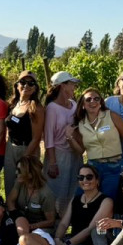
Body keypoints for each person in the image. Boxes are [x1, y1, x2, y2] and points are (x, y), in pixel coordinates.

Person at [69, 88, 123, 200]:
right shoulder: (81, 124)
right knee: (82, 198)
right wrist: (69, 138)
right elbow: (80, 151)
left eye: (96, 98)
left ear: (101, 102)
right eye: (88, 99)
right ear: (83, 104)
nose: (93, 101)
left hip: (114, 167)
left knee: (108, 199)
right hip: (92, 168)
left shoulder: (111, 116)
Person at [55, 162, 113, 245]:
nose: (85, 180)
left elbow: (90, 229)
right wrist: (57, 239)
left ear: (97, 180)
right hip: (73, 243)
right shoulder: (75, 199)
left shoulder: (106, 201)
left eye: (89, 177)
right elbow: (64, 223)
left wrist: (68, 243)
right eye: (81, 178)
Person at [43, 71, 80, 215]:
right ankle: (54, 220)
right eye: (72, 84)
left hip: (74, 154)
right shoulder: (52, 108)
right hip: (59, 156)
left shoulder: (74, 105)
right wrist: (52, 163)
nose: (74, 87)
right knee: (57, 191)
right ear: (62, 86)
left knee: (73, 189)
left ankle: (67, 220)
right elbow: (49, 137)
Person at [3, 72, 45, 195]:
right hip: (10, 148)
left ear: (35, 88)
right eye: (23, 82)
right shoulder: (12, 104)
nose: (26, 86)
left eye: (31, 83)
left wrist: (23, 159)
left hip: (28, 150)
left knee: (26, 187)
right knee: (9, 183)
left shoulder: (36, 108)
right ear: (17, 85)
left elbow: (36, 138)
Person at [5, 154, 57, 239]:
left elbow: (50, 221)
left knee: (29, 240)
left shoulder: (46, 194)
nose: (16, 173)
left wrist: (31, 226)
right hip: (21, 221)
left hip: (40, 227)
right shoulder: (19, 182)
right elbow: (10, 201)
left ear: (31, 174)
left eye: (19, 171)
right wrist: (17, 217)